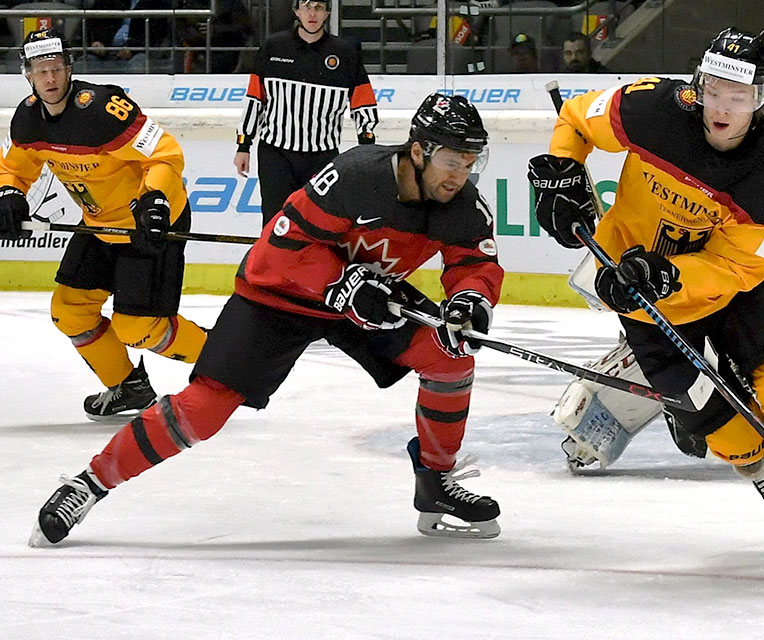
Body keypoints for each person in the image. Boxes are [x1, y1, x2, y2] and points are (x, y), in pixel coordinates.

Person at [29, 93, 505, 547]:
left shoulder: (461, 205)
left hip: (367, 299)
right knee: (204, 410)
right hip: (280, 295)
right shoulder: (355, 176)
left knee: (451, 355)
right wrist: (338, 284)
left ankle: (435, 480)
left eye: (469, 163)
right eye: (451, 161)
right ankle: (90, 483)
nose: (460, 175)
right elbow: (276, 254)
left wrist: (470, 300)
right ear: (419, 151)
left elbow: (475, 265)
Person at [527, 27, 764, 567]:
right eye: (713, 90)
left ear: (762, 98)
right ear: (698, 84)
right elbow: (576, 117)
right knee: (719, 427)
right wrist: (563, 168)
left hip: (735, 291)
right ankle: (761, 475)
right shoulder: (653, 108)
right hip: (636, 292)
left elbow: (737, 267)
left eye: (738, 96)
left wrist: (670, 276)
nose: (722, 107)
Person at [0, 29, 207, 421]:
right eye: (41, 70)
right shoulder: (27, 120)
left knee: (139, 328)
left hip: (147, 224)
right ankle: (128, 386)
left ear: (70, 68)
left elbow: (164, 153)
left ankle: (224, 362)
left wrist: (156, 199)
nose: (50, 78)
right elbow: (17, 168)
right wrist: (9, 193)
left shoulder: (102, 108)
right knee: (70, 310)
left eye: (56, 68)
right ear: (27, 75)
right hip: (99, 224)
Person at [235, 0, 379, 227]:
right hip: (276, 153)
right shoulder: (274, 47)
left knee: (318, 224)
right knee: (275, 222)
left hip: (322, 156)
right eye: (307, 7)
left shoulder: (344, 53)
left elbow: (363, 104)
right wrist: (244, 145)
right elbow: (255, 99)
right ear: (296, 11)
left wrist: (367, 149)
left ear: (327, 13)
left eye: (319, 8)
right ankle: (274, 264)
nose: (312, 14)